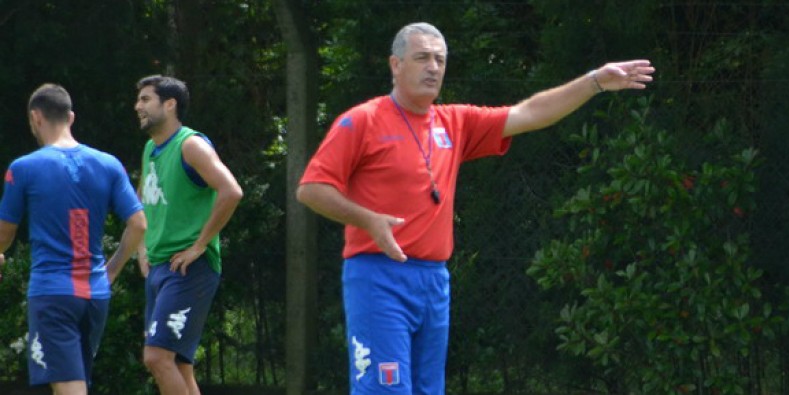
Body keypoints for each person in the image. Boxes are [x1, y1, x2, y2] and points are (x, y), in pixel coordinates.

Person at [296, 22, 654, 394]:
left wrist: (594, 81)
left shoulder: (455, 122)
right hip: (378, 277)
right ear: (395, 65)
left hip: (434, 280)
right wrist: (367, 219)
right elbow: (311, 189)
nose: (433, 67)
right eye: (422, 58)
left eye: (440, 59)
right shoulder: (363, 120)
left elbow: (530, 113)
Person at [0, 84, 146, 395]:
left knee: (69, 388)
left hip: (53, 293)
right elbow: (138, 224)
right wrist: (113, 270)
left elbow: (5, 233)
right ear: (71, 117)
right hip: (95, 295)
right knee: (74, 380)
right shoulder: (108, 164)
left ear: (36, 117)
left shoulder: (23, 168)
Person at [134, 75, 242, 395]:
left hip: (188, 268)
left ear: (170, 104)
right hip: (160, 268)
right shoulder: (151, 148)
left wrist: (199, 246)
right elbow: (140, 200)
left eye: (145, 99)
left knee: (156, 357)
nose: (137, 106)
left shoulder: (190, 145)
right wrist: (142, 247)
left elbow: (231, 191)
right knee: (179, 365)